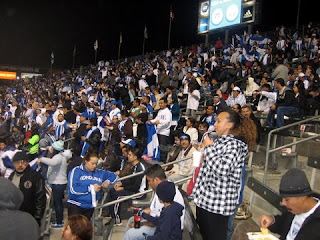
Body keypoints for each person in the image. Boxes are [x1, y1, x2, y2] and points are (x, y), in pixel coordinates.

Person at [192, 109, 256, 240]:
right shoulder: (220, 142)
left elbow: (222, 169)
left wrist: (208, 148)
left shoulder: (234, 145)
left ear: (229, 125)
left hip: (217, 206)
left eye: (219, 121)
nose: (215, 124)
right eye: (215, 121)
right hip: (205, 201)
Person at [123, 165, 185, 240]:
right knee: (131, 220)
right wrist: (140, 212)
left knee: (131, 234)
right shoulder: (162, 189)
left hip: (165, 231)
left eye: (149, 180)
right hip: (160, 225)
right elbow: (154, 211)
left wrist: (141, 225)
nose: (148, 183)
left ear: (156, 180)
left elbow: (159, 225)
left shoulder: (166, 194)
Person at [259, 168, 320, 240]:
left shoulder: (316, 221)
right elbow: (284, 224)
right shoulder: (294, 209)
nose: (283, 203)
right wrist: (272, 220)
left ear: (302, 197)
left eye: (287, 199)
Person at [67, 151, 118, 220]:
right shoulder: (76, 171)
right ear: (86, 161)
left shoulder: (99, 172)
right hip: (76, 204)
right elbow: (73, 189)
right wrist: (91, 188)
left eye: (96, 164)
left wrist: (108, 181)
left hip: (90, 206)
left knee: (85, 229)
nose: (94, 166)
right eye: (92, 163)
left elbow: (114, 176)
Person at [37, 140, 72, 228]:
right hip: (60, 183)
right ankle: (59, 220)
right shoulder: (62, 156)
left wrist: (42, 159)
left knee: (57, 203)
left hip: (58, 184)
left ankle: (59, 222)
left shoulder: (57, 157)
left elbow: (52, 162)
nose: (50, 149)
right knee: (58, 202)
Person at [107, 147, 146, 225]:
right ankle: (112, 217)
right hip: (131, 189)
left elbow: (136, 186)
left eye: (130, 155)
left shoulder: (140, 168)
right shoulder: (132, 166)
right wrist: (121, 184)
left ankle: (117, 220)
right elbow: (130, 181)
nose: (128, 156)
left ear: (135, 157)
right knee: (111, 191)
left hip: (139, 192)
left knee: (117, 196)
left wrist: (122, 188)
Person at [8, 151, 46, 225]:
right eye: (17, 163)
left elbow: (40, 198)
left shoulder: (35, 176)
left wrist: (37, 218)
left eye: (23, 162)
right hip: (14, 217)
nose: (20, 165)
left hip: (30, 216)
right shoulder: (12, 176)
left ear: (27, 162)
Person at [150, 97, 172, 162]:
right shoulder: (159, 111)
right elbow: (156, 119)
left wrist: (159, 122)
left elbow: (167, 121)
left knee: (163, 147)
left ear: (165, 103)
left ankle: (163, 161)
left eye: (161, 103)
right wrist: (150, 121)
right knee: (158, 146)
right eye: (159, 103)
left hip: (164, 132)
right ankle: (158, 158)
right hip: (158, 131)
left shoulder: (168, 112)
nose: (160, 104)